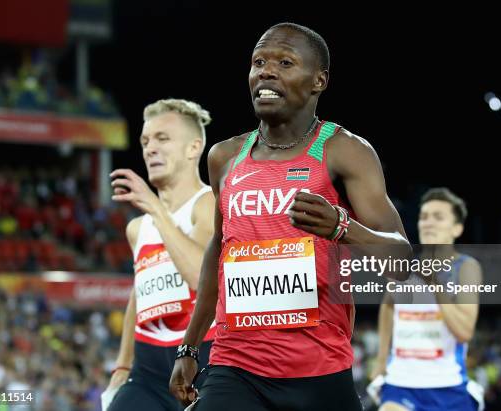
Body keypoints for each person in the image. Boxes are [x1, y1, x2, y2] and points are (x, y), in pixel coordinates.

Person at [170, 22, 411, 411]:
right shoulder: (224, 158)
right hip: (235, 365)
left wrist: (342, 227)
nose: (266, 71)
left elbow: (402, 261)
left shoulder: (344, 152)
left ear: (319, 80)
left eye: (284, 62)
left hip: (318, 369)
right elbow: (219, 249)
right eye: (258, 62)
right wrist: (190, 345)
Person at [103, 98, 216, 411]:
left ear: (193, 148)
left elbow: (199, 276)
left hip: (204, 360)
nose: (150, 148)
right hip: (149, 370)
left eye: (162, 138)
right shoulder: (137, 228)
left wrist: (156, 209)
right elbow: (137, 297)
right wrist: (122, 368)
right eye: (145, 141)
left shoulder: (208, 204)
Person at [369, 187, 484, 411]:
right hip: (400, 383)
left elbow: (464, 331)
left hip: (447, 386)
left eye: (438, 217)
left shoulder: (466, 268)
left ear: (457, 228)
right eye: (424, 217)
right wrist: (381, 358)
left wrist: (434, 284)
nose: (428, 223)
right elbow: (388, 306)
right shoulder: (403, 265)